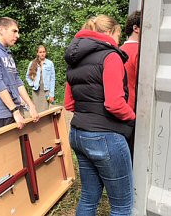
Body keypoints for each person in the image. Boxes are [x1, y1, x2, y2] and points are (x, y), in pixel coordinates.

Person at [64, 15, 136, 215]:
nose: (119, 41)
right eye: (119, 34)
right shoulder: (110, 56)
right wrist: (132, 117)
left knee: (88, 197)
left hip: (78, 134)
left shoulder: (75, 58)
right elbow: (114, 104)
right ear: (110, 32)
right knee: (122, 207)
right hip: (105, 136)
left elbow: (69, 103)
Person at [0, 17, 39, 130]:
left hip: (14, 111)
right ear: (2, 30)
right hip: (2, 114)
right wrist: (14, 110)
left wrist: (31, 105)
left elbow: (17, 80)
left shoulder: (7, 52)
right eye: (14, 31)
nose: (18, 35)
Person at [121, 10, 141, 112]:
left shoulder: (119, 50)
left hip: (120, 109)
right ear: (136, 28)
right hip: (134, 110)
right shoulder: (140, 52)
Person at [26, 45, 56, 113]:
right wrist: (32, 84)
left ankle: (46, 123)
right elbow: (27, 77)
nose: (42, 53)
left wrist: (52, 94)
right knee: (36, 111)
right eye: (40, 52)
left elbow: (52, 79)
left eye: (44, 52)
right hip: (36, 92)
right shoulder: (32, 63)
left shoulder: (50, 63)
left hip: (46, 92)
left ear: (46, 52)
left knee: (45, 111)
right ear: (37, 53)